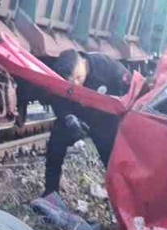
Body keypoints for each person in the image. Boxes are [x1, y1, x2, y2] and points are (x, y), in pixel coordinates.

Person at [42, 48, 131, 198]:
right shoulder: (60, 77)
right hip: (77, 117)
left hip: (105, 121)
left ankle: (123, 198)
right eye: (72, 82)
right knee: (55, 145)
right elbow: (57, 97)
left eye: (78, 77)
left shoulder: (108, 67)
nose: (77, 84)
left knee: (112, 162)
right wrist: (68, 117)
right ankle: (50, 193)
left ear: (82, 62)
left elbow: (131, 92)